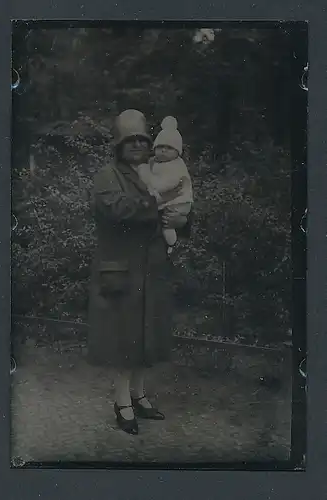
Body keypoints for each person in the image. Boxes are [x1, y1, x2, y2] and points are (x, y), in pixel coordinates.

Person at [87, 109, 188, 435]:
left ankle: (139, 395)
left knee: (147, 337)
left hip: (152, 268)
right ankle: (122, 402)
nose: (136, 146)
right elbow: (116, 210)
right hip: (122, 270)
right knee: (124, 340)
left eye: (141, 140)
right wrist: (156, 205)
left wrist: (182, 222)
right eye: (129, 140)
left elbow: (175, 211)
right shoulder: (107, 175)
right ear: (117, 144)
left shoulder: (154, 173)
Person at [137, 116, 193, 253]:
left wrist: (183, 220)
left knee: (168, 224)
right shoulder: (150, 164)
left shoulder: (176, 165)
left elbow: (172, 183)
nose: (163, 150)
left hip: (177, 203)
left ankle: (171, 244)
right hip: (139, 241)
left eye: (169, 148)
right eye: (160, 147)